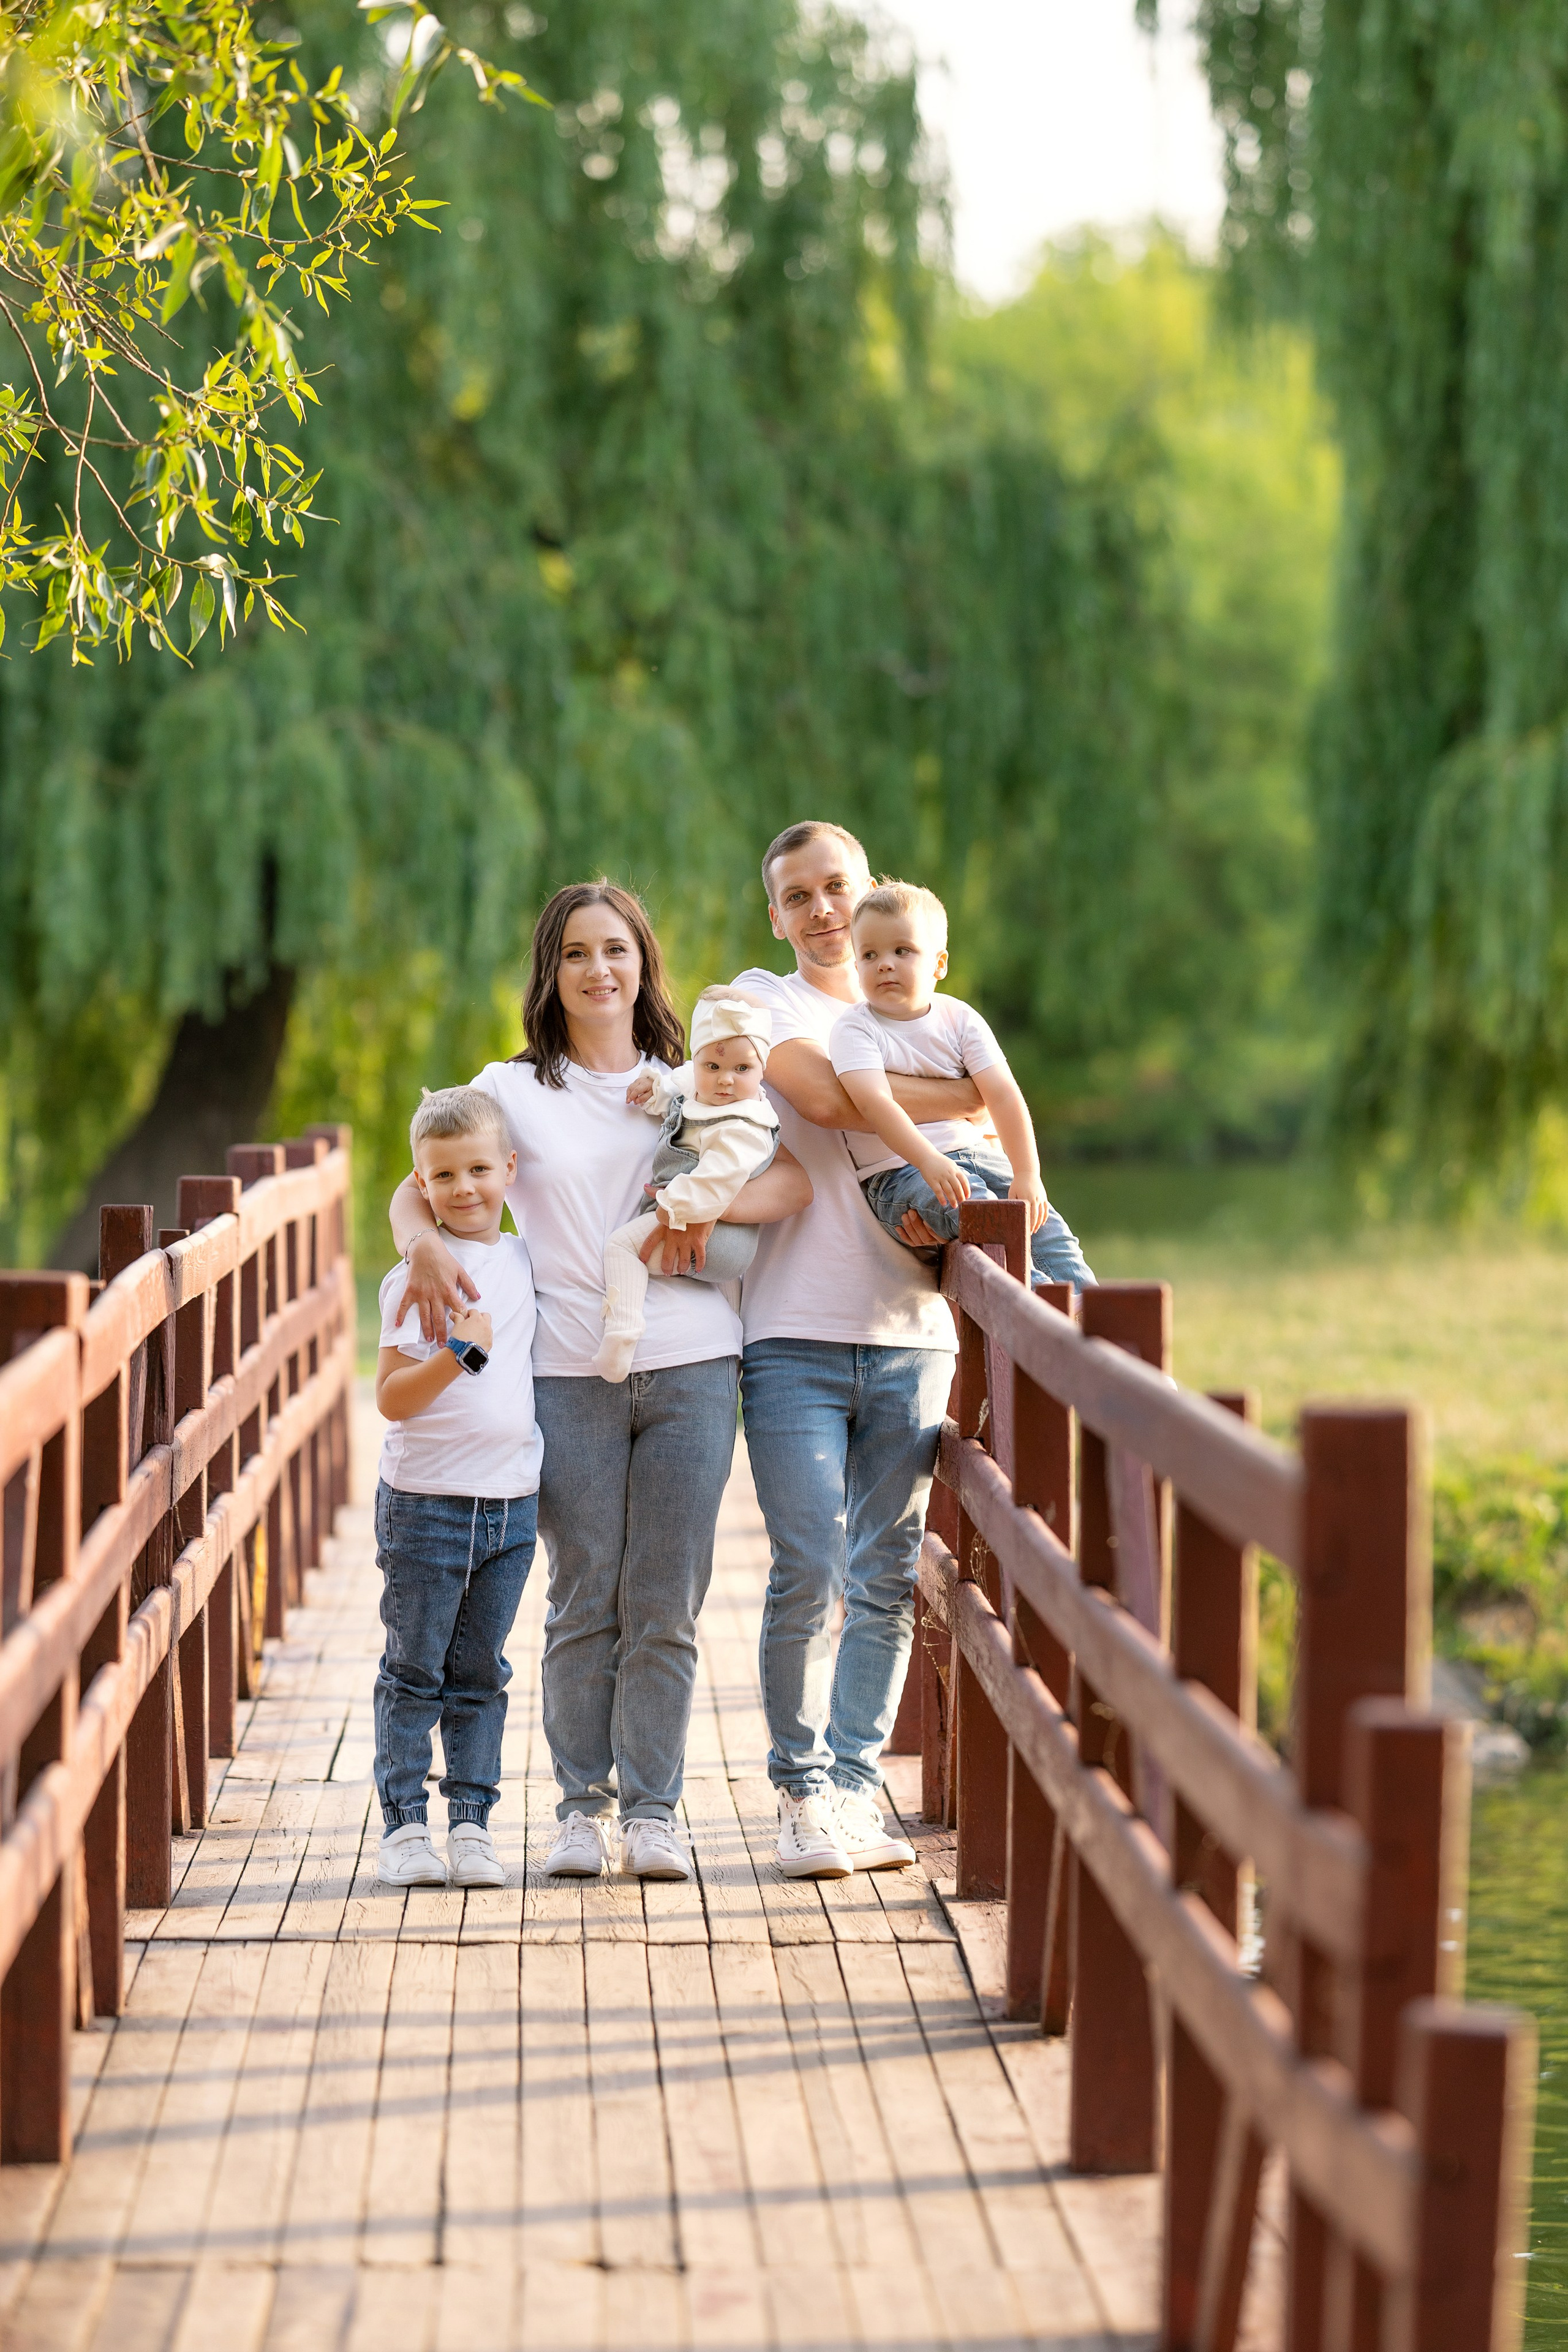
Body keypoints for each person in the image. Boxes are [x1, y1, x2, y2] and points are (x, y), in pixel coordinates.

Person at [390, 881, 812, 1884]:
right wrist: (424, 1250)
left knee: (665, 1599)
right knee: (584, 1592)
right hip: (567, 1370)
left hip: (693, 1365)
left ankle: (655, 1813)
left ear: (642, 962)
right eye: (576, 952)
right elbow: (418, 1182)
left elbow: (795, 1179)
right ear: (553, 970)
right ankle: (582, 1809)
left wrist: (708, 1212)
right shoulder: (510, 1089)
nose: (598, 969)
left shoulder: (693, 1076)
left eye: (615, 949)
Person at [729, 821, 993, 1878]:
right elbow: (830, 1098)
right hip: (791, 1331)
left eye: (836, 886)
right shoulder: (759, 1003)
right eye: (798, 896)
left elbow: (977, 1130)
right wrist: (966, 1087)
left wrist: (957, 1092)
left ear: (869, 887)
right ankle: (799, 1798)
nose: (823, 910)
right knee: (807, 1566)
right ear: (776, 917)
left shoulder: (923, 1003)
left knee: (885, 1576)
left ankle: (849, 1790)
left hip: (909, 1336)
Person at [372, 1086, 542, 1891]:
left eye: (478, 1170)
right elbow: (391, 1397)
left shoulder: (525, 1259)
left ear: (509, 1169)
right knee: (415, 1672)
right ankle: (404, 1828)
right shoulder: (415, 1279)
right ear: (420, 1183)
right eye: (443, 1176)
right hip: (427, 1505)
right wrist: (458, 1356)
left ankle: (472, 1824)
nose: (464, 1188)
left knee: (481, 1674)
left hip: (510, 1506)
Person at [830, 878, 1094, 1291]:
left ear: (939, 964)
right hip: (901, 1171)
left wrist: (1027, 1173)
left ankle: (1089, 1313)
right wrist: (928, 1160)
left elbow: (1002, 1095)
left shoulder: (960, 1019)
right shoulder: (854, 1029)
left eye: (902, 951)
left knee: (1050, 1234)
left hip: (977, 1156)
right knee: (985, 1216)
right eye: (869, 955)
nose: (884, 964)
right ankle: (1043, 1304)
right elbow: (876, 1105)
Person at [593, 990, 778, 1382]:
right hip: (723, 1249)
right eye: (712, 1066)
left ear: (763, 1069)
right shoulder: (702, 1086)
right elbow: (682, 1087)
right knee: (725, 1297)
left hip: (716, 1236)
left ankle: (622, 1334)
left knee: (621, 1248)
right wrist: (656, 1089)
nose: (725, 1080)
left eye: (742, 1069)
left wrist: (672, 1207)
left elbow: (717, 1178)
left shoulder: (744, 1126)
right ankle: (735, 1348)